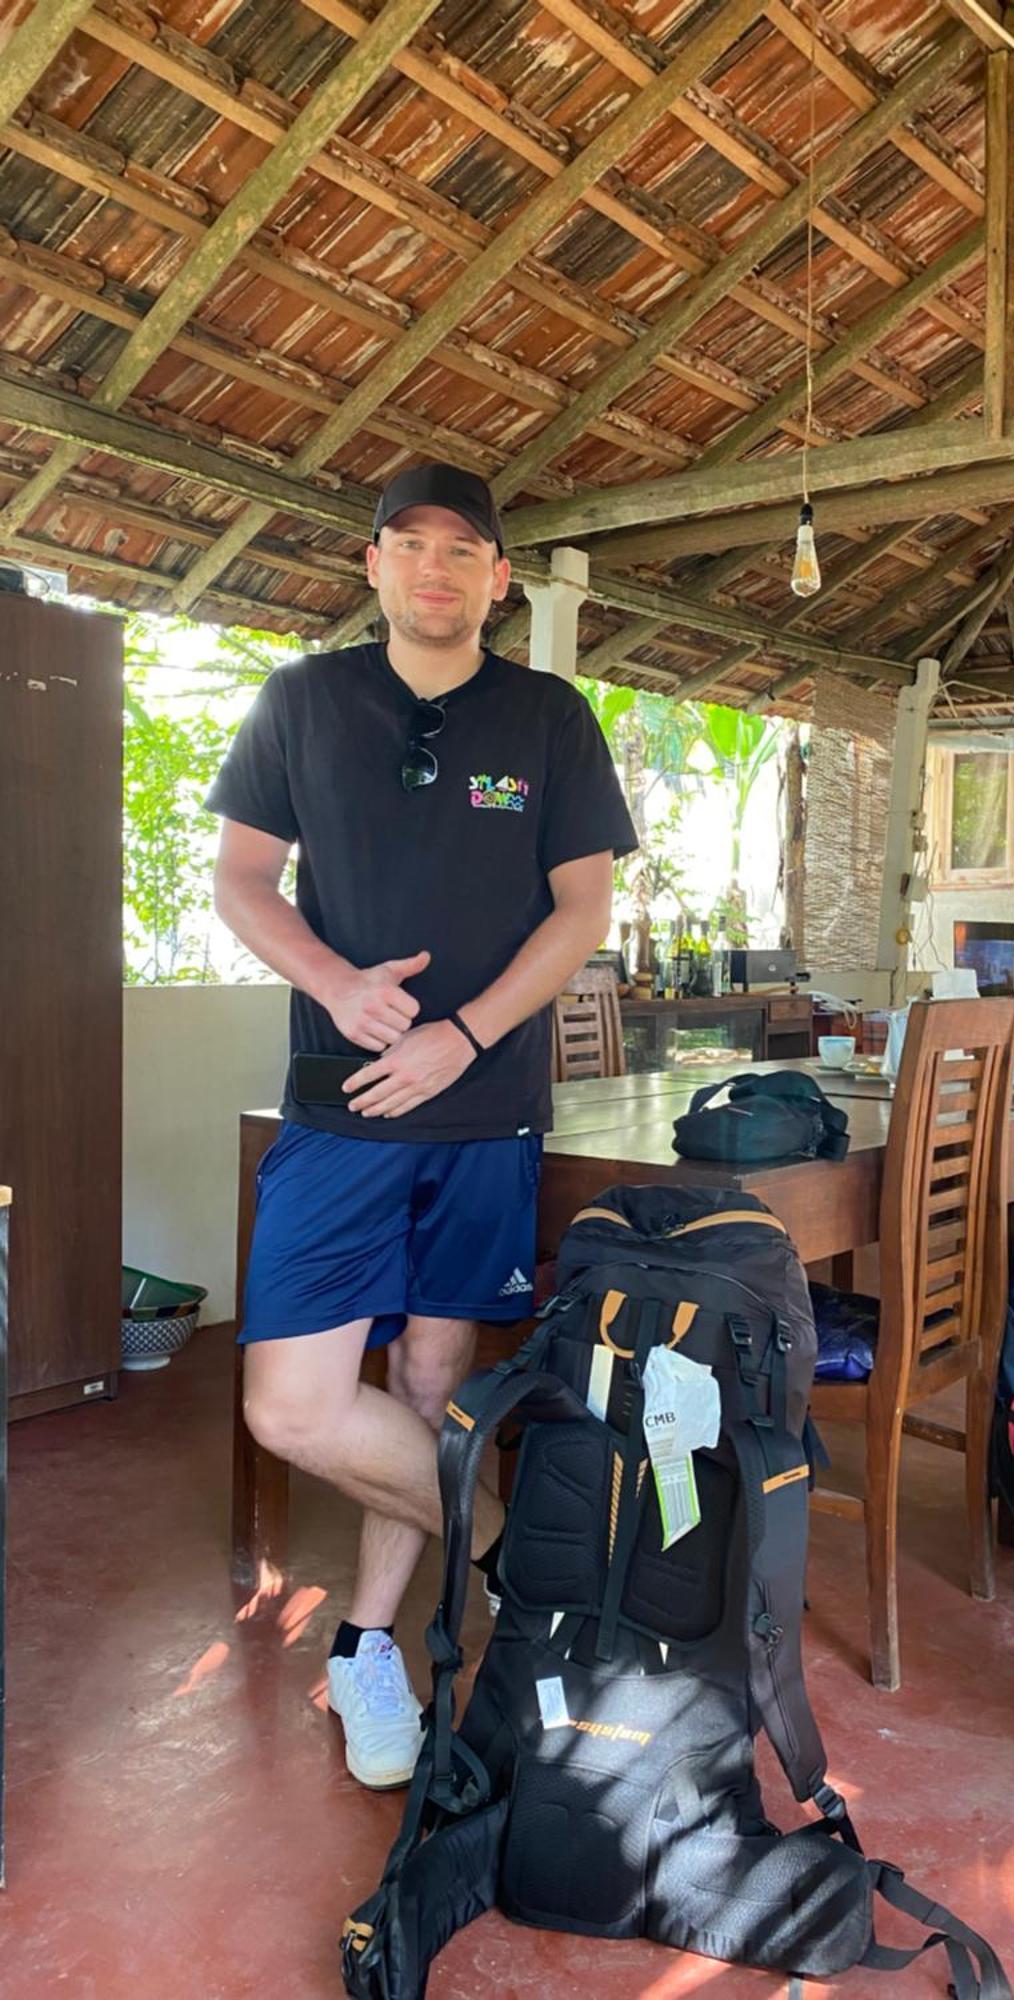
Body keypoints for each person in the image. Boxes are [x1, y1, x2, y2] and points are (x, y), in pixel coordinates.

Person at [208, 463, 636, 1790]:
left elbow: (582, 912)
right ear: (374, 563)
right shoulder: (304, 702)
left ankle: (366, 1647)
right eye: (413, 545)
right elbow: (238, 880)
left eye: (467, 550)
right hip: (342, 1110)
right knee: (292, 1405)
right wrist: (336, 984)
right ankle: (521, 1556)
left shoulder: (549, 717)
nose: (439, 568)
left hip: (487, 1117)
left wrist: (467, 1031)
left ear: (499, 579)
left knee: (435, 1386)